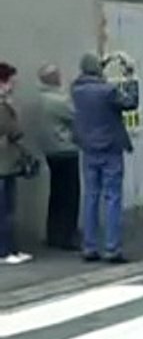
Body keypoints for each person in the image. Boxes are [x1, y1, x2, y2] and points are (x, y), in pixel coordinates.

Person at [71, 52, 138, 263]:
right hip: (110, 148)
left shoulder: (76, 91)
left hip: (89, 148)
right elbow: (130, 103)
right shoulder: (107, 91)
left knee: (91, 196)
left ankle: (89, 246)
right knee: (112, 197)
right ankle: (112, 248)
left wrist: (104, 62)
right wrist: (130, 76)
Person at [38, 64, 80, 250]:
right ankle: (67, 236)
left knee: (56, 194)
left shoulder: (39, 99)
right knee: (70, 195)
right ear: (54, 78)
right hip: (65, 148)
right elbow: (76, 116)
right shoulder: (58, 100)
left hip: (49, 150)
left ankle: (53, 233)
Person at [0, 62, 32, 264]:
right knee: (6, 209)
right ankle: (5, 251)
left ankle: (9, 249)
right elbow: (14, 130)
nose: (13, 85)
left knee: (6, 209)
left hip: (6, 162)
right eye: (11, 81)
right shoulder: (3, 107)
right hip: (4, 164)